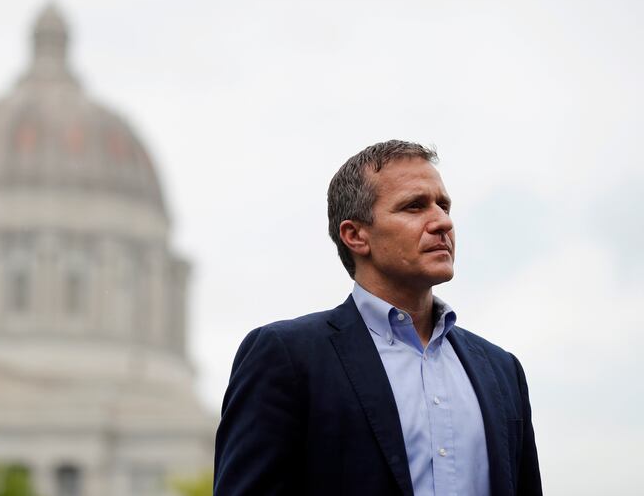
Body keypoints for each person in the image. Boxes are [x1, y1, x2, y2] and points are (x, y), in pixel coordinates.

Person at [213, 140, 542, 496]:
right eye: (415, 207)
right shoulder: (287, 357)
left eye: (443, 205)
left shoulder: (502, 370)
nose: (442, 222)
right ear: (355, 235)